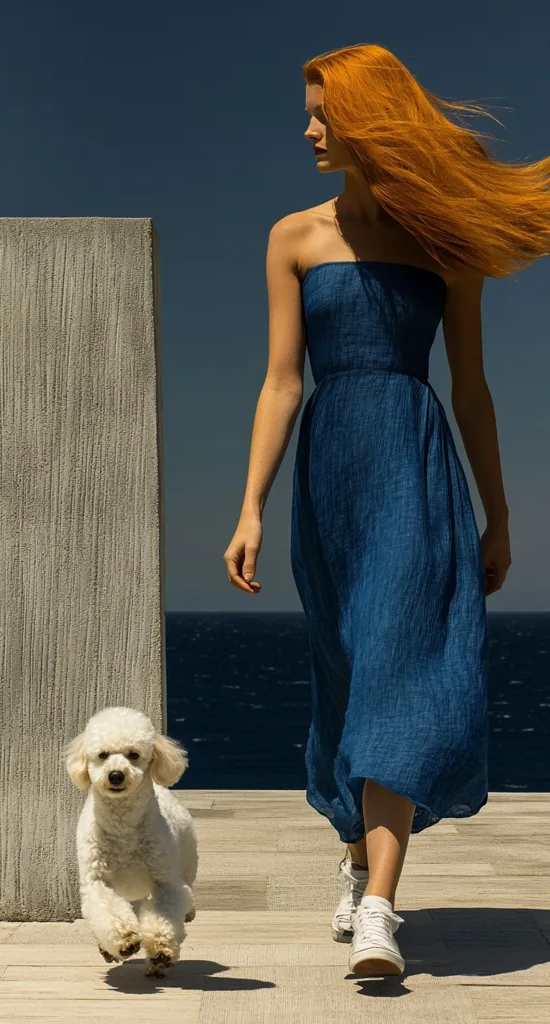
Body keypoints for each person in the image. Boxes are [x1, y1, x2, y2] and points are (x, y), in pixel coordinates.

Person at [223, 42, 549, 978]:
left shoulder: (444, 241)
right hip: (331, 479)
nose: (308, 129)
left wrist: (498, 514)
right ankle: (359, 856)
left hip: (414, 466)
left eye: (323, 112)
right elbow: (282, 382)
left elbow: (472, 388)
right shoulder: (293, 237)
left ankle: (378, 911)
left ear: (367, 119)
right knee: (348, 672)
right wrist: (250, 507)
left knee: (400, 670)